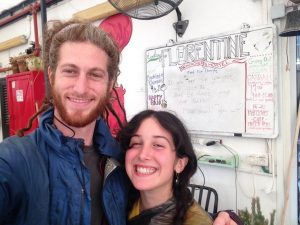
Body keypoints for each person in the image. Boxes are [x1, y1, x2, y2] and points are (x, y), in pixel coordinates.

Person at [0, 19, 240, 225]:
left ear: (110, 82)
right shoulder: (14, 161)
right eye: (70, 71)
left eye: (95, 74)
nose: (81, 87)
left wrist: (220, 216)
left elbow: (160, 206)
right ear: (51, 76)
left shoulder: (119, 160)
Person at [117, 109, 213, 225]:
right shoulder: (117, 203)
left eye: (158, 145)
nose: (142, 155)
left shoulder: (196, 222)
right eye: (136, 143)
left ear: (180, 164)